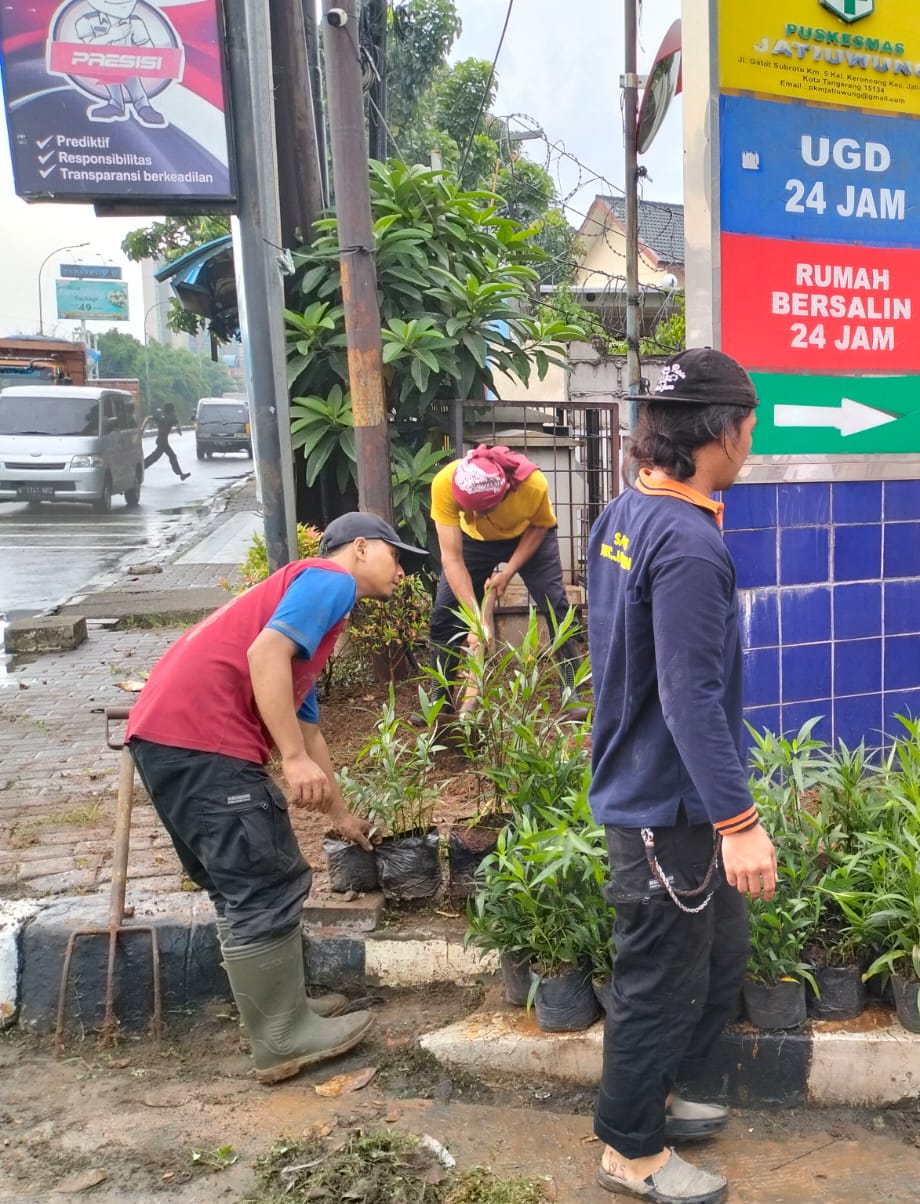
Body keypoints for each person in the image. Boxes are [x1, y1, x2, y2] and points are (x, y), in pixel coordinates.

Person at [126, 513, 427, 1084]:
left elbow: (309, 731)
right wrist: (289, 759)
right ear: (359, 549)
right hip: (204, 741)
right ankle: (283, 1038)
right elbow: (263, 657)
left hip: (168, 740)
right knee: (264, 878)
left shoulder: (302, 614)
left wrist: (341, 817)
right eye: (395, 556)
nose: (402, 572)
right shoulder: (328, 580)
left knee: (242, 881)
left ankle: (285, 1016)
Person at [586, 348, 778, 1204]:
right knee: (658, 977)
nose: (750, 443)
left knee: (717, 950)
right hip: (667, 802)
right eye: (749, 427)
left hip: (659, 787)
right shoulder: (691, 545)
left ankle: (663, 1098)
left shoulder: (626, 512)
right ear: (723, 434)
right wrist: (740, 823)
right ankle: (630, 1150)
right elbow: (692, 697)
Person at [427, 444, 570, 689]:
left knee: (555, 604)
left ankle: (572, 687)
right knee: (445, 613)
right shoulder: (444, 483)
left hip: (528, 532)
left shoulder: (533, 485)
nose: (475, 514)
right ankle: (439, 700)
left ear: (504, 491)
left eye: (483, 509)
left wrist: (508, 573)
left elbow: (540, 526)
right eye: (467, 508)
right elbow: (452, 558)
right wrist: (475, 619)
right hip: (475, 540)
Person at [143, 403, 190, 480]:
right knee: (158, 457)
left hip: (161, 440)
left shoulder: (162, 416)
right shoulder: (172, 417)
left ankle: (181, 474)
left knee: (163, 456)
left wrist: (142, 428)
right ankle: (141, 468)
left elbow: (148, 418)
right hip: (163, 442)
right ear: (172, 410)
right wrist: (179, 430)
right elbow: (177, 423)